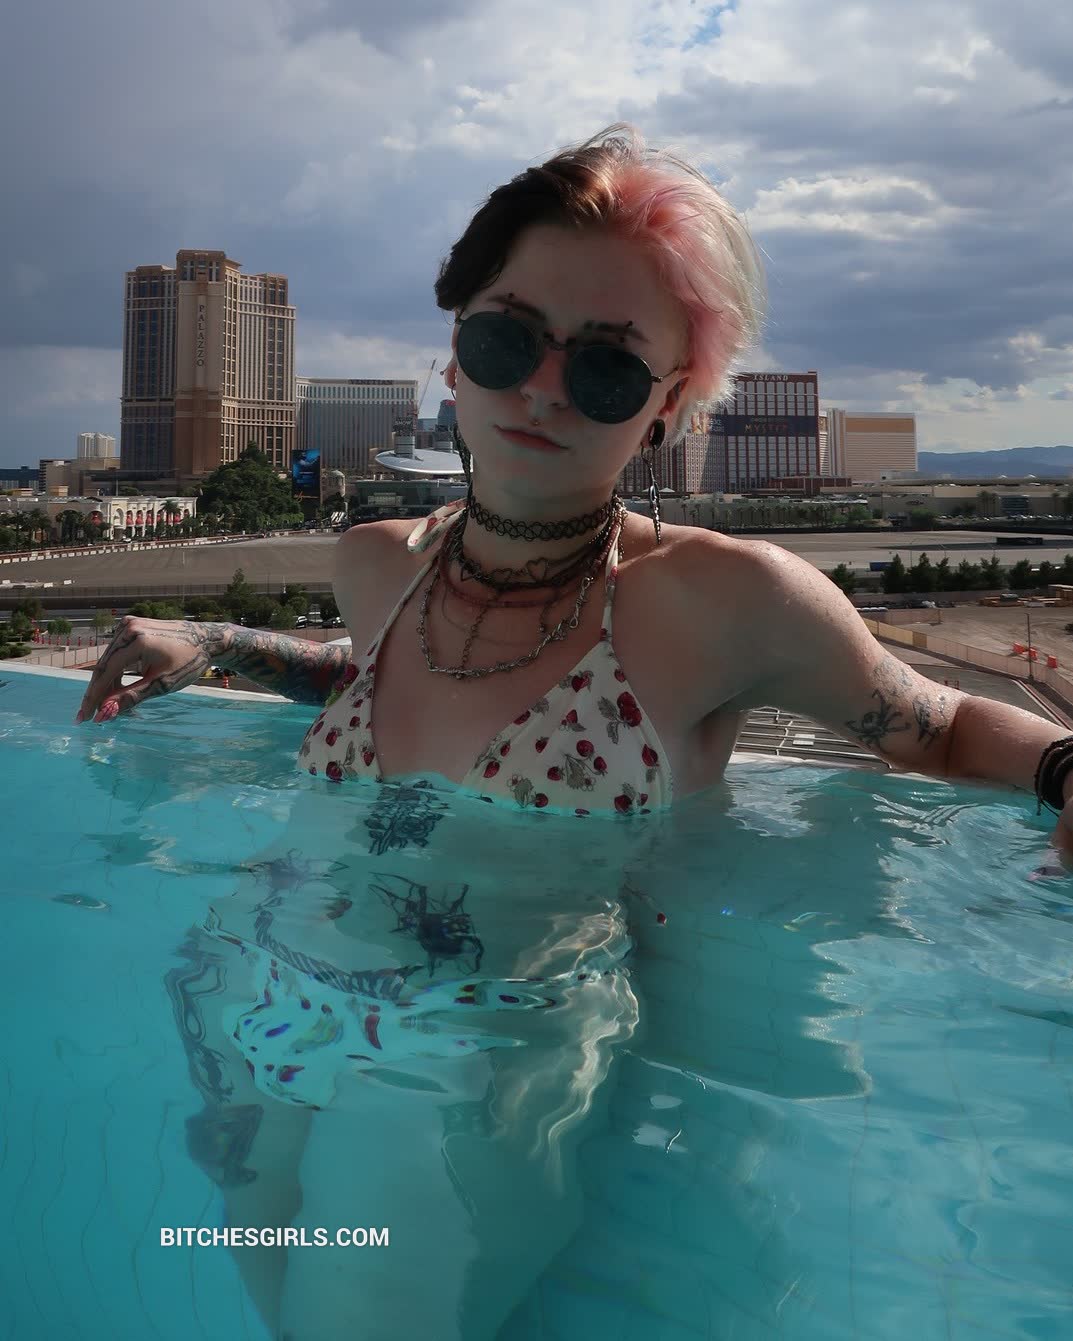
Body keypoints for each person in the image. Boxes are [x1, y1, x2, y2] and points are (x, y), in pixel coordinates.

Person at [76, 122, 1073, 1335]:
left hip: (478, 1050)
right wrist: (219, 643)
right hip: (257, 986)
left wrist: (1066, 767)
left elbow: (936, 725)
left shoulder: (718, 600)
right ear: (453, 354)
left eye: (604, 368)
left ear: (667, 406)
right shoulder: (377, 564)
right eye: (505, 338)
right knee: (281, 1309)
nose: (541, 389)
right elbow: (398, 688)